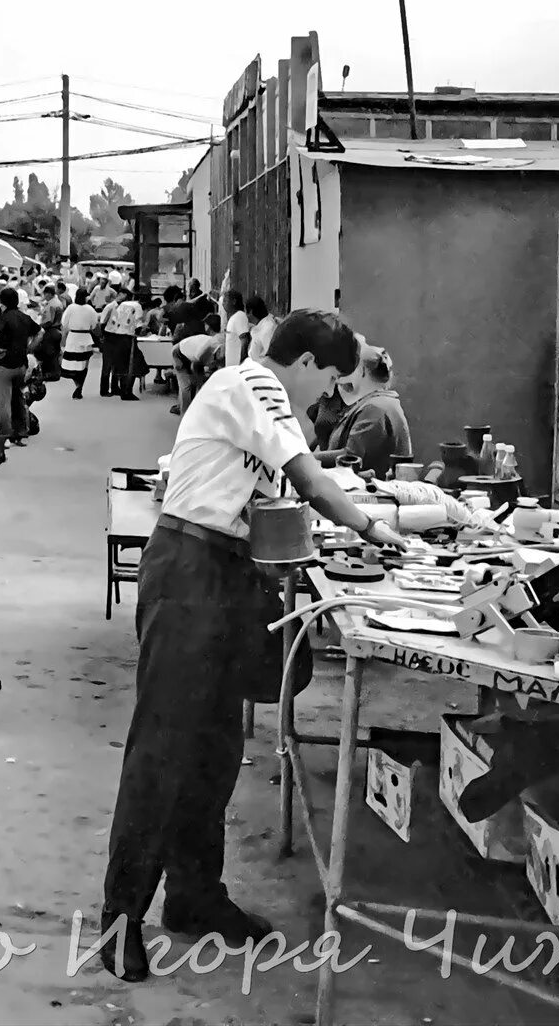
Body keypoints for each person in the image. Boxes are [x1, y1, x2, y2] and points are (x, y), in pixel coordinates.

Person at [99, 309, 402, 982]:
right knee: (163, 746)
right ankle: (119, 918)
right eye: (326, 379)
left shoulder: (272, 403)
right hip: (188, 567)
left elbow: (279, 489)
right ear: (301, 365)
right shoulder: (253, 385)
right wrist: (373, 530)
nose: (325, 393)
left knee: (212, 749)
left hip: (228, 570)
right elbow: (308, 482)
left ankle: (194, 898)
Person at [317, 344, 413, 478]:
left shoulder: (376, 408)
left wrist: (305, 459)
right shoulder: (375, 404)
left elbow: (351, 457)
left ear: (361, 371)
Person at [0, 288, 39, 446]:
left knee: (3, 400)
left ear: (2, 302)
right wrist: (30, 348)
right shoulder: (25, 317)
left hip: (5, 365)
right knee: (18, 397)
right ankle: (21, 432)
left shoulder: (3, 318)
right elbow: (40, 332)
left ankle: (6, 435)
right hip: (21, 365)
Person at [98, 285, 144, 400]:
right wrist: (102, 338)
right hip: (110, 337)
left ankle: (115, 388)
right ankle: (104, 390)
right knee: (107, 365)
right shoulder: (110, 307)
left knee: (117, 365)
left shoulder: (124, 307)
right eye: (123, 295)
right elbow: (102, 322)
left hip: (117, 337)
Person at [60, 288, 99, 399]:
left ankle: (77, 384)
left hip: (73, 338)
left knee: (72, 364)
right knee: (84, 365)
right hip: (86, 339)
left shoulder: (71, 308)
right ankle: (80, 387)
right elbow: (94, 325)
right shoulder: (90, 309)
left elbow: (64, 323)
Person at [222, 291, 250, 366]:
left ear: (234, 301)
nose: (223, 303)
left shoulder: (239, 316)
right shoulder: (233, 317)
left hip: (237, 368)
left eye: (225, 301)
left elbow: (244, 341)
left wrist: (242, 363)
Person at [245, 295, 275, 363]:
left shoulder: (267, 329)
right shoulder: (260, 326)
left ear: (251, 312)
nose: (246, 316)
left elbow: (272, 358)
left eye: (246, 312)